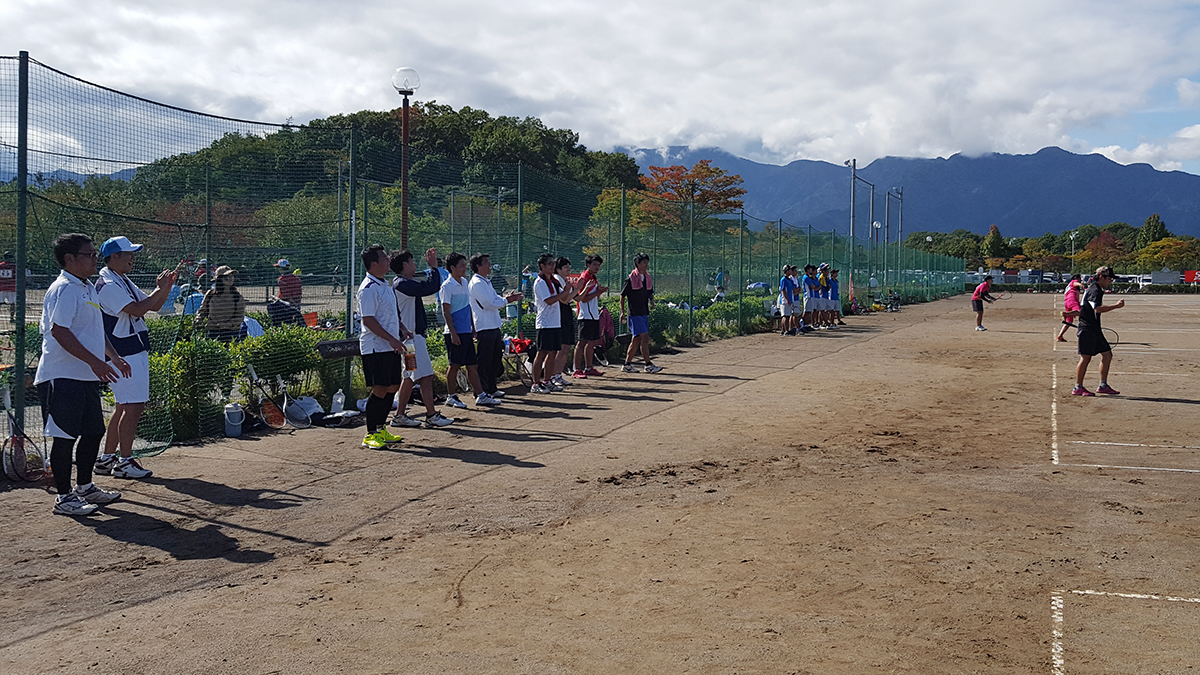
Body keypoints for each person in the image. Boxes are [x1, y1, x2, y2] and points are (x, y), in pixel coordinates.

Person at [36, 233, 132, 516]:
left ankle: (85, 487)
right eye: (89, 254)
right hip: (61, 376)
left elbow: (94, 330)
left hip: (86, 376)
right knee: (65, 437)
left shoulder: (87, 287)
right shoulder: (64, 288)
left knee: (93, 431)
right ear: (70, 259)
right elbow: (60, 331)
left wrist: (113, 357)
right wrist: (95, 363)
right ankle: (64, 498)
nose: (94, 259)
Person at [93, 236, 177, 481]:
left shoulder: (121, 278)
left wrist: (166, 287)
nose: (133, 257)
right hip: (123, 352)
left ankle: (108, 458)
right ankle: (124, 462)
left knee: (124, 406)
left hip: (131, 349)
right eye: (128, 253)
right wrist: (161, 289)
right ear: (114, 257)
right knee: (133, 407)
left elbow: (153, 306)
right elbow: (138, 309)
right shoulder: (106, 283)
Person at [390, 248, 454, 429]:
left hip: (412, 339)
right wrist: (434, 268)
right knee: (425, 376)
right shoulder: (401, 283)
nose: (415, 265)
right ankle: (430, 415)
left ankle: (400, 416)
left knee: (410, 377)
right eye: (412, 262)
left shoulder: (404, 282)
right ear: (404, 265)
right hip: (411, 341)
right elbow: (430, 287)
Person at [357, 244, 409, 448]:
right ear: (374, 264)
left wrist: (402, 328)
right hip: (375, 347)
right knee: (380, 388)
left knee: (393, 386)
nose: (388, 260)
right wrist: (391, 339)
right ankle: (370, 434)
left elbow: (391, 313)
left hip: (390, 345)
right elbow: (368, 320)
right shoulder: (367, 289)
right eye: (384, 258)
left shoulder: (384, 285)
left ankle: (380, 428)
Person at [441, 252, 495, 408]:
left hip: (466, 332)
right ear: (452, 268)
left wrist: (473, 327)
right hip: (454, 333)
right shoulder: (447, 286)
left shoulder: (465, 283)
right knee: (455, 365)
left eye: (465, 264)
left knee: (472, 365)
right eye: (461, 265)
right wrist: (453, 333)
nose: (465, 268)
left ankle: (481, 395)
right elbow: (446, 311)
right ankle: (451, 397)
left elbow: (468, 307)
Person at [468, 252, 522, 398]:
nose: (489, 265)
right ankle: (481, 391)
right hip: (484, 327)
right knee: (484, 361)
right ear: (478, 266)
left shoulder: (486, 281)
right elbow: (488, 303)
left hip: (493, 326)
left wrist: (505, 298)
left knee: (494, 359)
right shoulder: (477, 283)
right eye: (486, 262)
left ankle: (491, 388)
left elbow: (495, 298)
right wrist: (507, 301)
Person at [1073, 266, 1124, 396]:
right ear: (1101, 277)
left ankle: (1103, 385)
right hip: (1087, 329)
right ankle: (1078, 387)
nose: (1110, 281)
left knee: (1107, 355)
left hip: (1094, 329)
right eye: (1109, 279)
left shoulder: (1097, 289)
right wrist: (1116, 306)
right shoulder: (1095, 290)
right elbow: (1097, 309)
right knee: (1085, 358)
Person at [530, 253, 575, 393]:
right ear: (542, 266)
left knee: (553, 353)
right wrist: (565, 292)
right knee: (542, 353)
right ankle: (535, 384)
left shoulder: (553, 282)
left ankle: (547, 381)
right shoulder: (540, 282)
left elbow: (564, 298)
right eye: (549, 264)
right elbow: (549, 300)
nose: (552, 266)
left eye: (553, 264)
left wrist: (571, 289)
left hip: (555, 322)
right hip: (544, 323)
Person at [619, 252, 663, 373]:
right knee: (644, 337)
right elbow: (622, 296)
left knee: (636, 339)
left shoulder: (647, 278)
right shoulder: (630, 279)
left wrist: (652, 301)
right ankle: (648, 365)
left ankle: (627, 364)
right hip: (634, 313)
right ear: (637, 264)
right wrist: (622, 312)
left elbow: (650, 293)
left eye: (647, 262)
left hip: (644, 312)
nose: (646, 265)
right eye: (644, 262)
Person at [572, 254, 608, 378]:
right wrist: (597, 292)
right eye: (594, 264)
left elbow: (594, 297)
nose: (597, 267)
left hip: (594, 315)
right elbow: (582, 299)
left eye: (598, 265)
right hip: (584, 316)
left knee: (592, 342)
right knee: (582, 342)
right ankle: (576, 369)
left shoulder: (594, 278)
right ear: (588, 265)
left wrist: (599, 292)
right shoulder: (583, 278)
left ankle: (589, 367)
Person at [194, 266, 247, 341]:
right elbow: (203, 310)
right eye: (226, 276)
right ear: (219, 278)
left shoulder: (237, 296)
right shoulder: (211, 294)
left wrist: (226, 325)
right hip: (213, 331)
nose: (230, 278)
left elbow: (240, 317)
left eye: (232, 276)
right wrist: (198, 320)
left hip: (231, 333)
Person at [551, 256, 577, 388]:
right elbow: (564, 300)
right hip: (560, 314)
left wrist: (577, 290)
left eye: (569, 267)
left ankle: (558, 374)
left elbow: (569, 299)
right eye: (566, 267)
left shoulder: (565, 280)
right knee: (561, 347)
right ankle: (553, 375)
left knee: (566, 347)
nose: (569, 269)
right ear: (558, 269)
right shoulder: (556, 280)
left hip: (566, 313)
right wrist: (577, 290)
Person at [1056, 273, 1083, 342]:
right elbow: (1076, 283)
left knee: (1069, 321)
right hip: (1072, 299)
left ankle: (1060, 336)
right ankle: (1066, 314)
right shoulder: (1074, 282)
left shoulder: (1069, 286)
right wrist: (1082, 285)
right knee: (1081, 313)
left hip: (1067, 301)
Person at [800, 264, 820, 333]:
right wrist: (814, 286)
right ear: (808, 270)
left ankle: (807, 325)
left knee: (809, 311)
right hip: (807, 296)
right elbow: (812, 286)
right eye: (810, 269)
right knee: (806, 311)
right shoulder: (806, 277)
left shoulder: (809, 277)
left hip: (810, 296)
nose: (811, 270)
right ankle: (804, 324)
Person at [778, 265, 797, 336]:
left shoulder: (789, 280)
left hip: (789, 299)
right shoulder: (783, 279)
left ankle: (784, 330)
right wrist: (787, 300)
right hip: (785, 300)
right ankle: (786, 330)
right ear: (787, 271)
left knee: (787, 316)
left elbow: (793, 289)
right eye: (790, 270)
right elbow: (783, 290)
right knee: (785, 316)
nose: (791, 271)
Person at [0, 251, 16, 322]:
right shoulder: (13, 266)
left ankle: (12, 318)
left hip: (2, 287)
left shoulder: (0, 265)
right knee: (12, 304)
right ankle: (11, 318)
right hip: (11, 287)